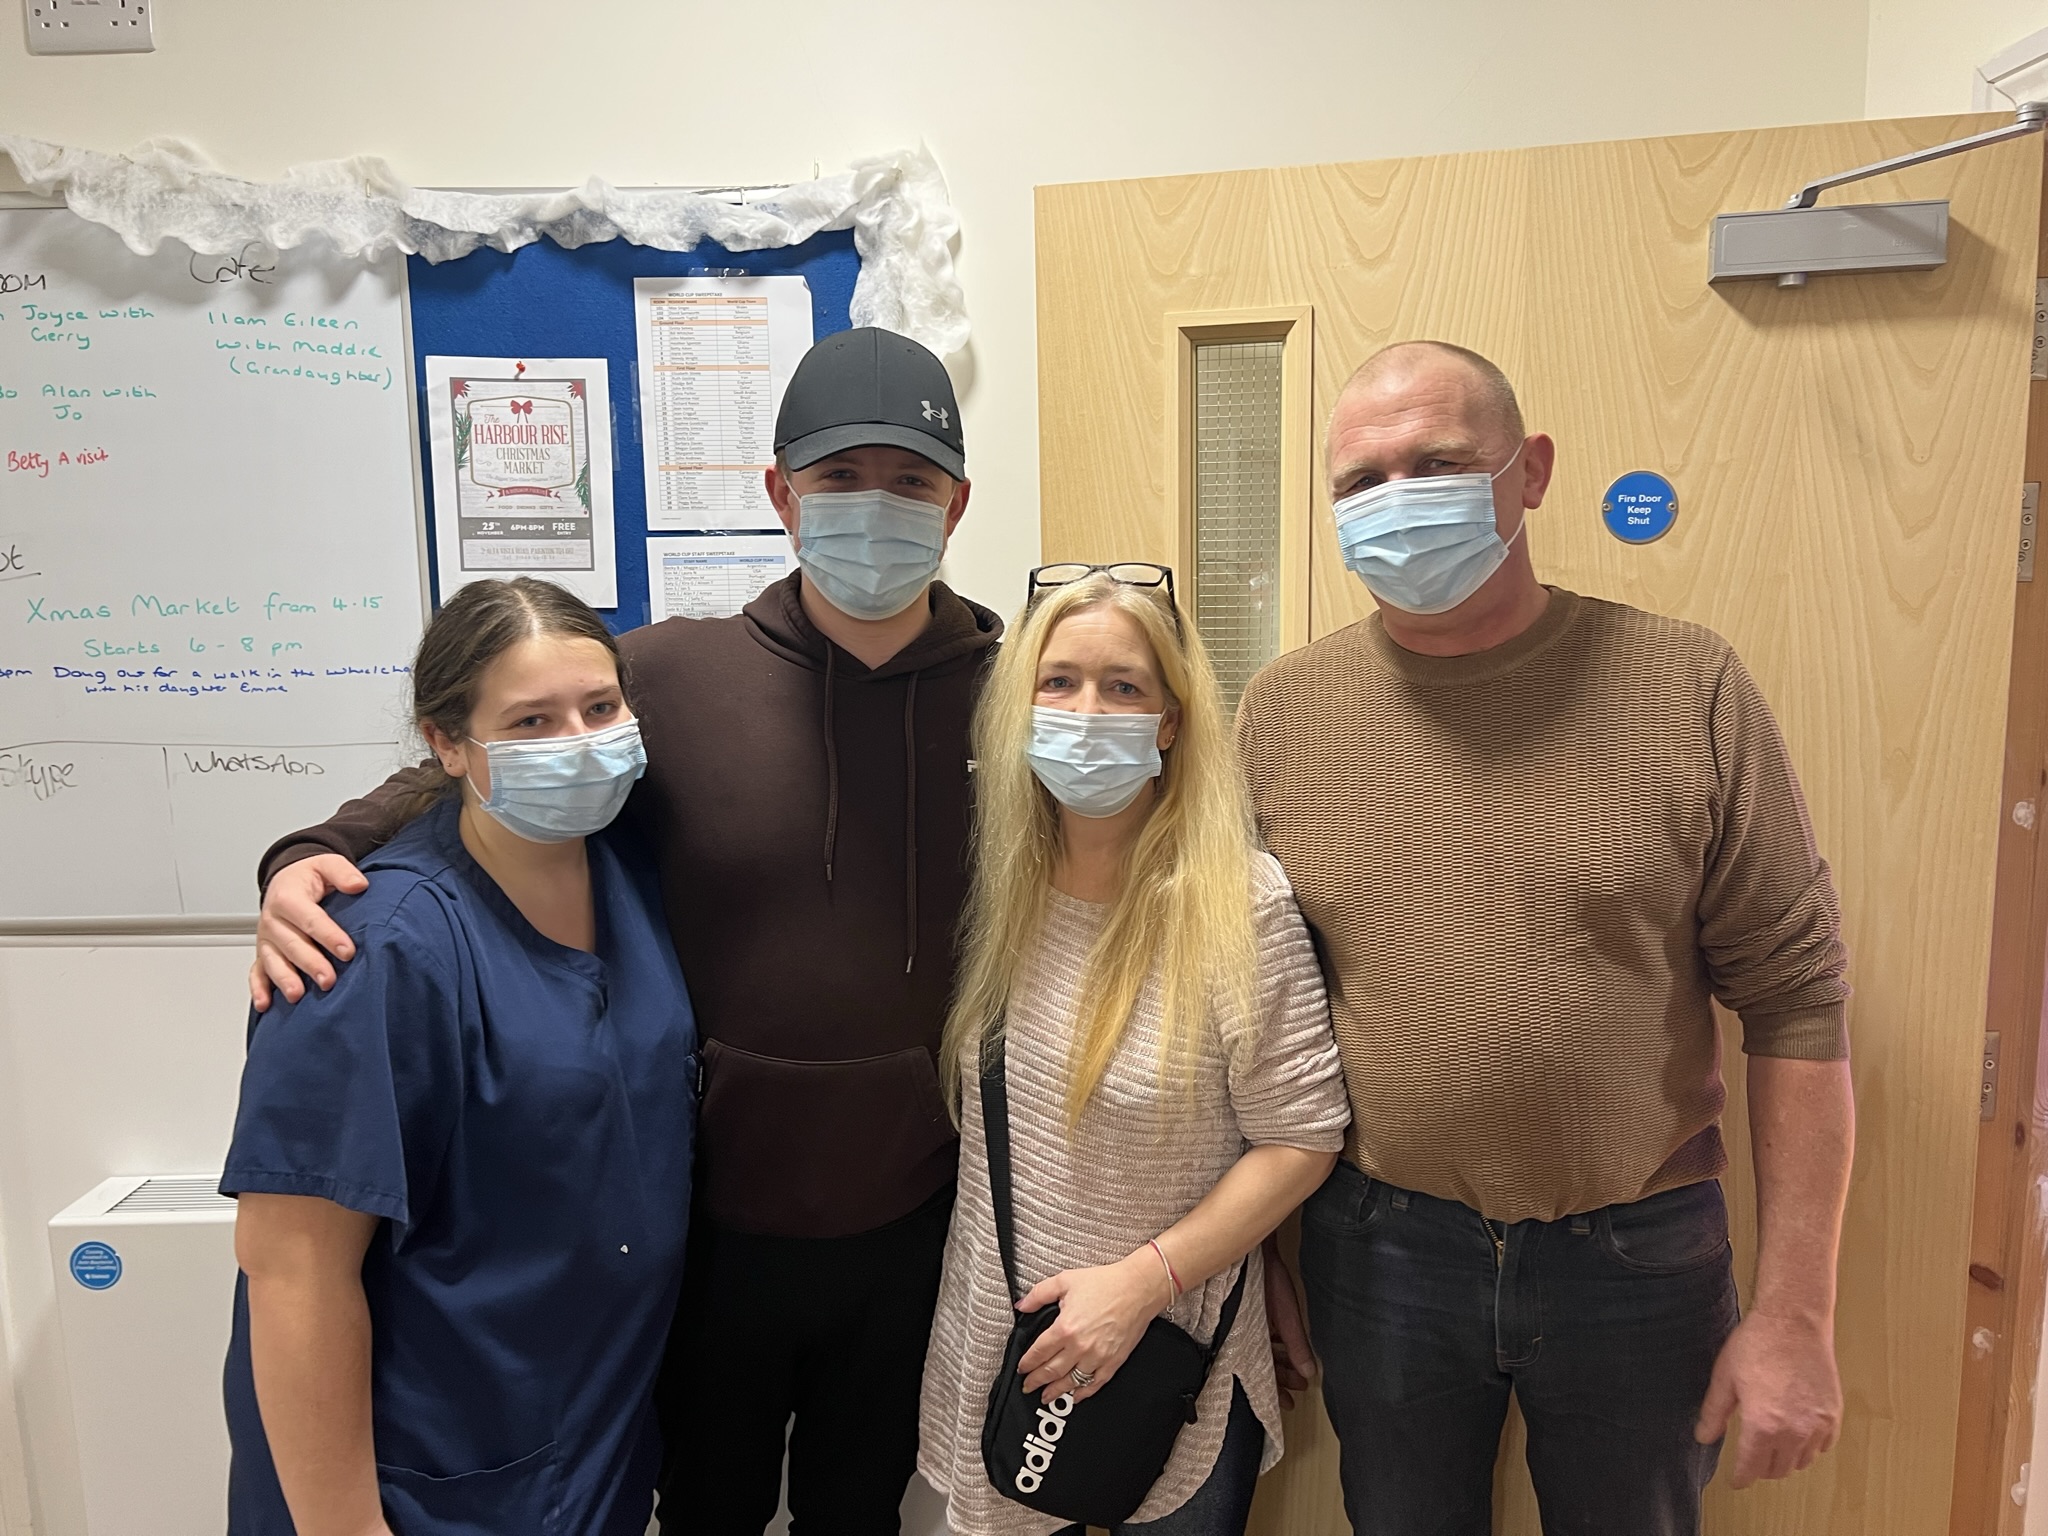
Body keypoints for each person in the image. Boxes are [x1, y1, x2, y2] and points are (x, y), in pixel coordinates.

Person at [243, 327, 1002, 1534]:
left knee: (865, 1510)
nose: (875, 506)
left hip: (917, 1212)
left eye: (909, 480)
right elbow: (482, 741)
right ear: (779, 493)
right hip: (707, 1228)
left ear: (954, 503)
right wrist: (306, 854)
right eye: (839, 477)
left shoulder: (1014, 697)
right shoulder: (664, 677)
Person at [1237, 341, 1854, 1536]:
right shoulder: (1282, 713)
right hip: (1377, 1247)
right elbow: (1247, 1013)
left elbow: (1795, 998)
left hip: (1639, 1253)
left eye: (1435, 463)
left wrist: (1796, 1313)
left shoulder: (1685, 685)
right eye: (1359, 481)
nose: (1394, 500)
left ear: (1529, 470)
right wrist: (1249, 1251)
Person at [222, 577, 696, 1536]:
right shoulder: (373, 947)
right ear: (446, 744)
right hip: (431, 1472)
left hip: (587, 1442)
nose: (579, 742)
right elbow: (292, 1268)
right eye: (530, 721)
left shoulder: (629, 873)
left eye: (600, 708)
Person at [918, 565, 1349, 1536]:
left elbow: (1302, 1139)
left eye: (1123, 686)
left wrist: (1140, 1284)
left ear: (1168, 722)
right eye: (1059, 682)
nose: (1086, 711)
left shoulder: (1240, 904)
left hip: (1167, 1354)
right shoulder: (1002, 886)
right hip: (1003, 1342)